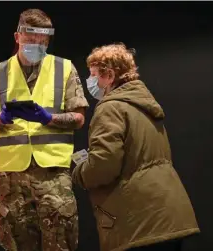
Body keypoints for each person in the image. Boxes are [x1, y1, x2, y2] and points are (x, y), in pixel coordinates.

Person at [0, 8, 89, 251]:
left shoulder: (65, 69)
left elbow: (79, 118)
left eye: (43, 41)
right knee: (16, 244)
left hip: (54, 177)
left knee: (60, 242)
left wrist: (49, 118)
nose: (37, 45)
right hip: (12, 180)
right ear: (17, 37)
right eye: (31, 40)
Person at [72, 43, 200, 251]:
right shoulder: (145, 105)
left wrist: (80, 172)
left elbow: (104, 166)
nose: (90, 81)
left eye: (94, 74)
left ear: (110, 76)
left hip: (140, 221)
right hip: (169, 213)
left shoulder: (110, 108)